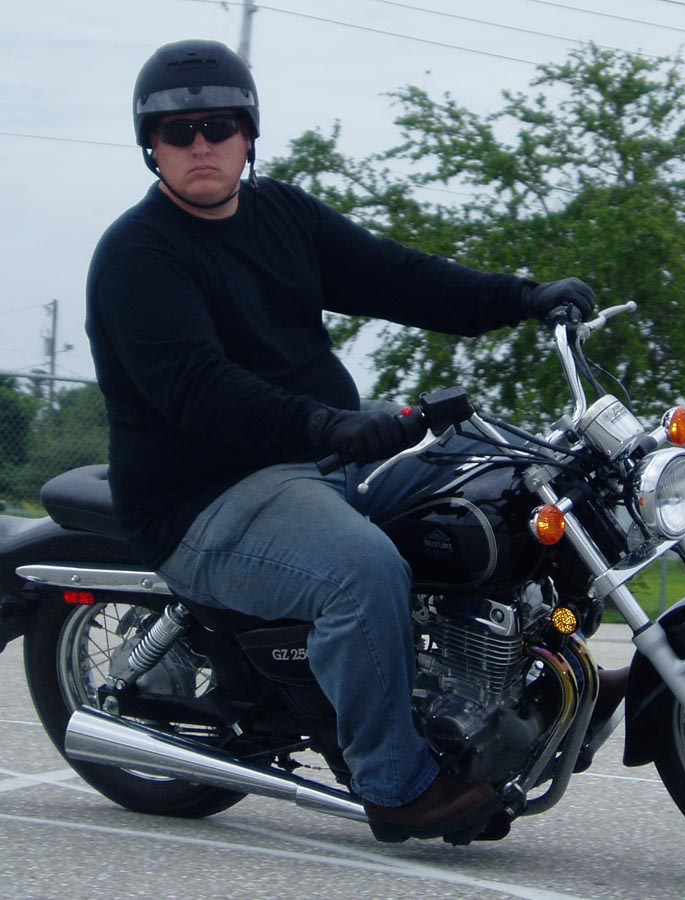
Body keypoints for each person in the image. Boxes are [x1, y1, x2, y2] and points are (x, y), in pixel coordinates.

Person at [86, 39, 607, 842]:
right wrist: (329, 424)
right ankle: (395, 786)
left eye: (218, 126)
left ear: (248, 134)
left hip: (323, 463)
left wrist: (524, 299)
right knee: (362, 572)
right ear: (150, 145)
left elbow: (397, 276)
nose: (200, 144)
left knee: (514, 486)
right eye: (177, 131)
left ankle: (530, 683)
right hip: (206, 498)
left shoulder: (281, 216)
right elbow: (199, 387)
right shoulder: (137, 256)